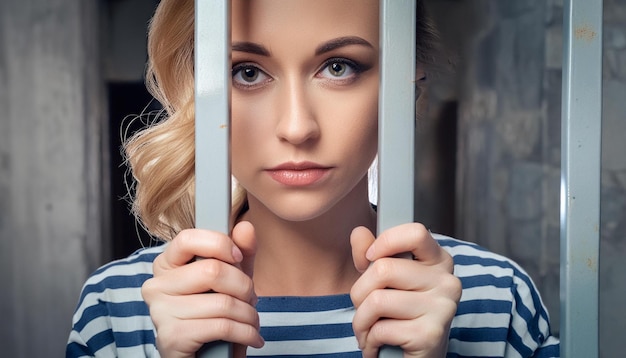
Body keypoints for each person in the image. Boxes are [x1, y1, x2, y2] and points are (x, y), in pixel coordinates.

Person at [67, 0, 560, 357]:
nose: (297, 127)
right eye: (247, 73)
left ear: (409, 80)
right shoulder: (119, 307)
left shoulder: (497, 299)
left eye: (338, 66)